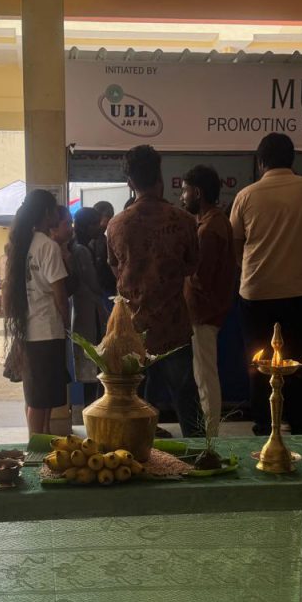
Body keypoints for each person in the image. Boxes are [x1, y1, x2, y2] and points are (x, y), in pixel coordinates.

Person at [230, 132, 302, 435]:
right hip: (299, 292)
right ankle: (299, 422)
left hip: (256, 292)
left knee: (259, 360)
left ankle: (263, 423)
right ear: (292, 159)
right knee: (298, 359)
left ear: (261, 162)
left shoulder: (246, 195)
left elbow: (235, 245)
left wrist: (250, 269)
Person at [106, 144, 203, 437]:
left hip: (132, 330)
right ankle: (200, 455)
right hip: (173, 327)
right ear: (159, 177)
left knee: (132, 402)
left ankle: (134, 455)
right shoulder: (183, 221)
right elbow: (191, 266)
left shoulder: (116, 224)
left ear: (130, 182)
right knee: (187, 400)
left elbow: (115, 269)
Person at [3, 189, 72, 435]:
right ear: (46, 213)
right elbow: (60, 294)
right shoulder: (48, 246)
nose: (57, 216)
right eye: (54, 211)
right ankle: (36, 444)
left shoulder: (21, 244)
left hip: (27, 327)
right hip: (47, 329)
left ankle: (42, 438)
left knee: (37, 396)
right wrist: (66, 322)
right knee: (40, 400)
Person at [181, 164, 235, 436]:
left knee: (205, 376)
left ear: (198, 193)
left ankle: (210, 436)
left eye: (185, 191)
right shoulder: (214, 222)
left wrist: (178, 268)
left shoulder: (209, 229)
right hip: (204, 312)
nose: (182, 197)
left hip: (203, 314)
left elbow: (201, 277)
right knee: (202, 374)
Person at [68, 207, 109, 405]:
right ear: (87, 226)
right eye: (95, 223)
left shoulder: (78, 246)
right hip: (89, 311)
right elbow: (93, 282)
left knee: (90, 366)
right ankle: (93, 409)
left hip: (83, 310)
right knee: (93, 365)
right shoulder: (82, 250)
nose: (99, 227)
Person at [90, 200, 118, 306]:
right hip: (100, 290)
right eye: (107, 219)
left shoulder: (105, 240)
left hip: (107, 290)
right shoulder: (95, 241)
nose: (107, 225)